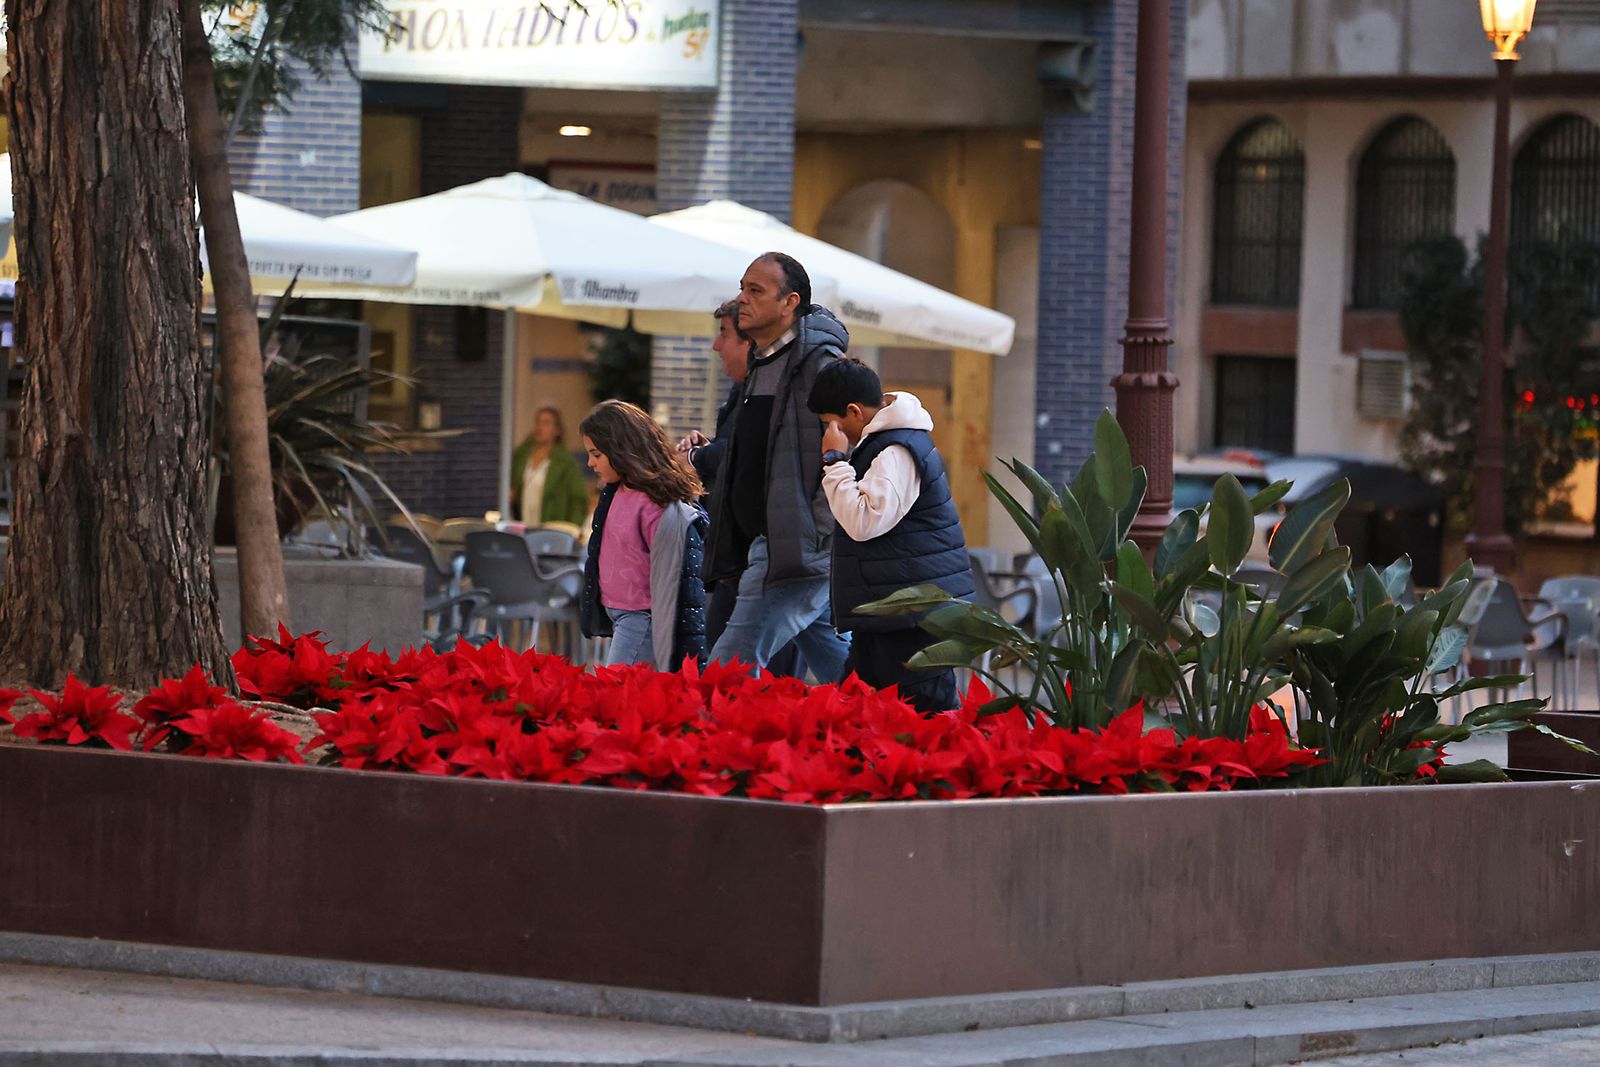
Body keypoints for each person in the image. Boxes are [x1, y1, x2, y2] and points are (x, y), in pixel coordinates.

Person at [697, 253, 851, 682]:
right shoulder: (762, 366)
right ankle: (906, 736)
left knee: (726, 673)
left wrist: (815, 537)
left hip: (791, 551)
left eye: (755, 291)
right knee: (849, 678)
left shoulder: (821, 368)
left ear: (790, 302)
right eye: (742, 287)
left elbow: (847, 452)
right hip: (771, 548)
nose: (741, 299)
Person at [808, 358, 974, 712]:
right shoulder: (890, 443)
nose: (830, 434)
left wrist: (835, 461)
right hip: (891, 610)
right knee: (857, 711)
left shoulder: (896, 450)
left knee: (925, 715)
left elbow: (864, 521)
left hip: (911, 616)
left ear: (853, 411)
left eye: (830, 425)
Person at [577, 400, 709, 670]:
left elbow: (676, 578)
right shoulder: (615, 492)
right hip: (622, 617)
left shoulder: (653, 504)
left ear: (621, 449)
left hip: (640, 619)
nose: (590, 463)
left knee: (615, 694)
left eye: (596, 454)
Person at [509, 405, 588, 528]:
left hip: (552, 525)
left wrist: (573, 529)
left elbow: (578, 501)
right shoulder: (522, 456)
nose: (540, 427)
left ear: (557, 430)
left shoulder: (566, 462)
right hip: (524, 522)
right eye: (538, 422)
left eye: (545, 423)